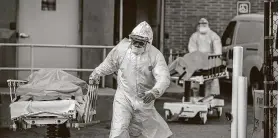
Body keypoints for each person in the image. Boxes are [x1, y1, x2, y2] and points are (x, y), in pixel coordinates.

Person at [90, 21, 173, 138]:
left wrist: (155, 91)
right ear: (131, 39)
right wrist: (96, 73)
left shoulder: (155, 55)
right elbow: (109, 64)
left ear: (148, 43)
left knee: (150, 129)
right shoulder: (122, 50)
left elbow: (163, 77)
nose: (137, 45)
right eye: (135, 41)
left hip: (144, 97)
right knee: (119, 128)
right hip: (124, 95)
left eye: (141, 42)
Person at [187, 18, 222, 97]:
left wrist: (212, 58)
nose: (202, 25)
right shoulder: (194, 36)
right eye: (201, 24)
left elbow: (218, 51)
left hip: (210, 61)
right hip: (198, 61)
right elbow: (192, 49)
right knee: (195, 79)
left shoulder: (213, 36)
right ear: (198, 25)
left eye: (204, 24)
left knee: (211, 80)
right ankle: (195, 97)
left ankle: (209, 97)